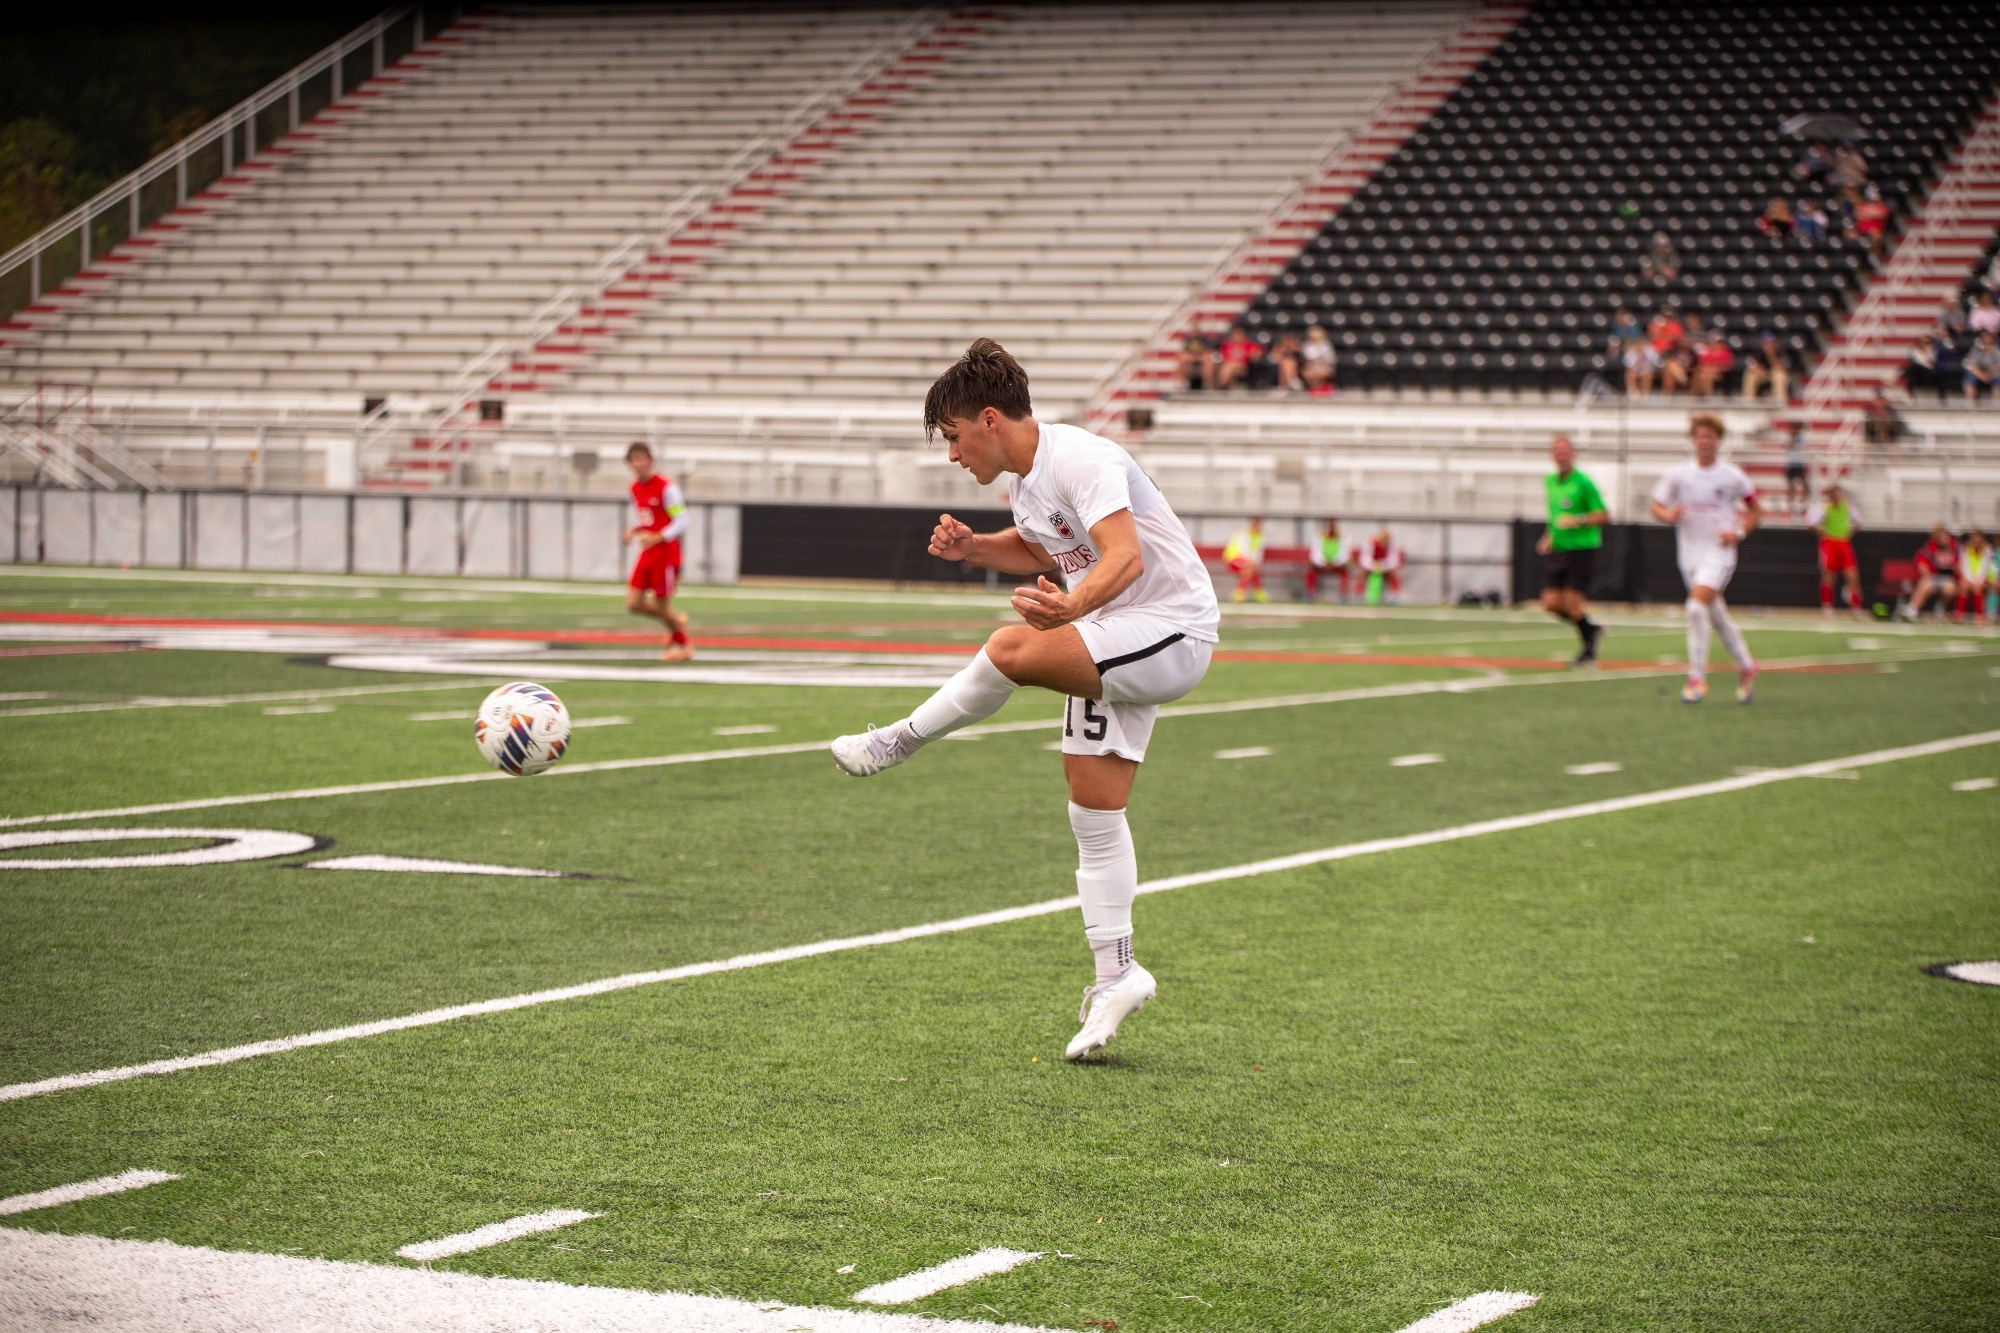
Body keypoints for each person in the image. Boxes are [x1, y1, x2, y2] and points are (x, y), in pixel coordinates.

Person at [830, 339, 1220, 1061]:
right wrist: (975, 549)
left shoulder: (1079, 457)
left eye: (952, 438)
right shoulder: (1027, 478)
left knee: (1009, 649)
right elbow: (1048, 547)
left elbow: (1123, 555)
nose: (952, 456)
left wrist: (1072, 611)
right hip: (1120, 630)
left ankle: (896, 741)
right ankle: (1117, 975)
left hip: (1171, 628)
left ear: (987, 419)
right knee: (1092, 805)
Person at [1649, 413, 1761, 704]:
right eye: (1700, 435)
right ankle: (1747, 665)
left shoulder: (1732, 476)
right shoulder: (1679, 474)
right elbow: (1657, 505)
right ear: (1693, 439)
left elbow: (1756, 511)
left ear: (1718, 440)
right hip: (1689, 554)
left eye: (1710, 436)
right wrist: (1667, 515)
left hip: (1719, 552)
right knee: (1716, 616)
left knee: (1696, 608)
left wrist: (1738, 532)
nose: (1705, 441)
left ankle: (1696, 678)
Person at [1536, 434, 1608, 665]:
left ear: (1572, 454)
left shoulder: (1584, 482)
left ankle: (1588, 651)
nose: (1561, 456)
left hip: (1582, 549)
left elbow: (1603, 515)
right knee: (1550, 603)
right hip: (1559, 550)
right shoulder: (1550, 481)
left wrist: (1577, 520)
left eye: (1565, 451)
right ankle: (1591, 629)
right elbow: (1555, 515)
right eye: (1557, 451)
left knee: (1573, 603)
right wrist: (1548, 536)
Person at [622, 442, 693, 662]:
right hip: (648, 553)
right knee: (633, 604)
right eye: (634, 459)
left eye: (643, 458)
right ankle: (676, 622)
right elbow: (648, 517)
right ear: (629, 464)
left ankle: (683, 644)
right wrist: (635, 529)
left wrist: (658, 536)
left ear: (650, 461)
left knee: (662, 605)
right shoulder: (634, 488)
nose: (639, 463)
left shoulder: (666, 487)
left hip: (665, 553)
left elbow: (682, 521)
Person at [1805, 482, 1862, 617]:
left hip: (1843, 542)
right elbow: (1809, 522)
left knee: (1852, 576)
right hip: (1829, 543)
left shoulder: (1847, 506)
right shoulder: (1823, 507)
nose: (1838, 496)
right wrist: (1820, 530)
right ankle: (1827, 606)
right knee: (1829, 575)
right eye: (1835, 493)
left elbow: (1858, 521)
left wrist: (1849, 531)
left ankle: (1856, 607)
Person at [1903, 525, 1962, 620]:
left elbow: (1960, 564)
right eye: (1940, 536)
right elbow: (1920, 559)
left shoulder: (1955, 547)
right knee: (1924, 584)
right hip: (1933, 577)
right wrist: (1926, 572)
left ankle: (1940, 608)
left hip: (1949, 579)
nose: (1943, 539)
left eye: (1944, 536)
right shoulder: (1931, 546)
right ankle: (1912, 610)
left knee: (1950, 588)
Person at [1305, 517, 1350, 603]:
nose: (1330, 529)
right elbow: (1315, 553)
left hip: (1337, 564)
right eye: (1329, 526)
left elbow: (1344, 554)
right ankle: (1310, 594)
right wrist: (1325, 562)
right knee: (1310, 569)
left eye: (1332, 526)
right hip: (1322, 564)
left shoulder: (1342, 538)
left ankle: (1343, 596)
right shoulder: (1319, 537)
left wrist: (1333, 562)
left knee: (1345, 571)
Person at [1224, 515, 1267, 603]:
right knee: (1249, 568)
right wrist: (1251, 563)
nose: (1257, 527)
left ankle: (1240, 594)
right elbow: (1242, 552)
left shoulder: (1259, 537)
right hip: (1233, 560)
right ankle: (1254, 593)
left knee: (1251, 569)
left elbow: (1258, 555)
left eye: (1258, 525)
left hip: (1247, 563)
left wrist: (1254, 564)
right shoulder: (1243, 534)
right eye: (1255, 524)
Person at [1955, 531, 1993, 623]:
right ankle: (1959, 615)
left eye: (1979, 538)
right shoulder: (1965, 548)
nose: (1977, 540)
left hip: (1982, 578)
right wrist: (1969, 579)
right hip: (1968, 577)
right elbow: (1964, 566)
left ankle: (1979, 616)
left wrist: (1980, 580)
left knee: (1977, 588)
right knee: (1963, 586)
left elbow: (1987, 568)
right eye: (1974, 538)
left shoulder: (1988, 550)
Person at [1360, 527, 1405, 604]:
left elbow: (1393, 560)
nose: (1384, 543)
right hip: (1372, 567)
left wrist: (1382, 565)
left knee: (1394, 573)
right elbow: (1364, 559)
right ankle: (1360, 595)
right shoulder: (1371, 543)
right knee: (1362, 572)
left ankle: (1394, 597)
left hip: (1386, 568)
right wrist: (1373, 565)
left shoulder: (1392, 545)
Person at [1741, 332, 1789, 402]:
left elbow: (1780, 367)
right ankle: (1748, 401)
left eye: (1771, 343)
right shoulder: (1757, 351)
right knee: (1750, 374)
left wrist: (1771, 354)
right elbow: (1752, 364)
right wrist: (1758, 369)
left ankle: (1779, 401)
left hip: (1774, 374)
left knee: (1779, 375)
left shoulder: (1781, 352)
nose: (1768, 345)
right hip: (1762, 374)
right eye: (1766, 343)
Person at [1690, 329, 1736, 397]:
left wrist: (1713, 368)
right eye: (1714, 342)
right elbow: (1702, 365)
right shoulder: (1706, 352)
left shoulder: (1726, 352)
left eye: (1719, 342)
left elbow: (1727, 366)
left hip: (1721, 375)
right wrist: (1711, 368)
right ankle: (1698, 397)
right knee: (1702, 376)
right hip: (1707, 373)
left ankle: (1707, 398)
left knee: (1704, 376)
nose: (1717, 344)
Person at [1216, 324, 1260, 390]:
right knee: (1230, 368)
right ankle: (1227, 387)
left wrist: (1253, 354)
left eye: (1239, 334)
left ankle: (1222, 385)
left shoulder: (1248, 345)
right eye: (1235, 335)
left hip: (1243, 367)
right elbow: (1223, 357)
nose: (1237, 337)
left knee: (1231, 366)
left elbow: (1258, 353)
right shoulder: (1226, 345)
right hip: (1228, 366)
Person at [1964, 331, 2000, 402]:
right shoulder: (1976, 349)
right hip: (1979, 373)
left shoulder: (1997, 349)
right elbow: (1972, 365)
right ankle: (1971, 404)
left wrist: (1991, 373)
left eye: (1989, 337)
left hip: (1993, 373)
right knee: (1969, 378)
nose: (1988, 339)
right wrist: (1982, 376)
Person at [1301, 323, 1336, 393]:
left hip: (1324, 368)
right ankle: (1313, 390)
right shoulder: (1307, 345)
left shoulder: (1326, 346)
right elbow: (1306, 360)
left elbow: (1330, 361)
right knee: (1308, 373)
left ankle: (1321, 390)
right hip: (1312, 368)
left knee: (1318, 374)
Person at [1783, 423, 1810, 512]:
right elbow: (1787, 446)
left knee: (1805, 485)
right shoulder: (1789, 437)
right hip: (1791, 464)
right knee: (1791, 487)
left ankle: (1804, 505)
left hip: (1799, 464)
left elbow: (1797, 446)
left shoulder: (1801, 438)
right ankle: (1791, 506)